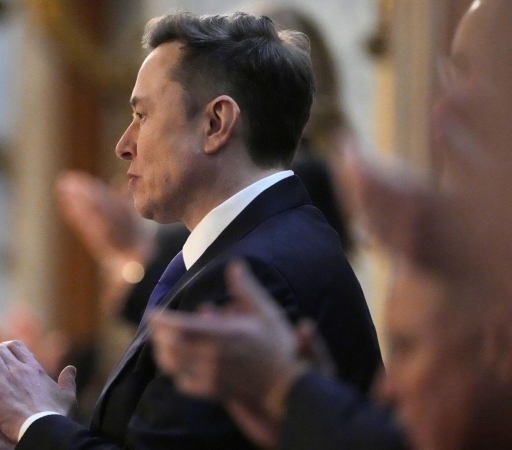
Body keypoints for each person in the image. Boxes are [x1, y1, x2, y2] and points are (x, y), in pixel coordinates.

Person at [0, 11, 382, 450]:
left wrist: (37, 422)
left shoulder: (250, 277)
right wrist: (34, 434)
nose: (123, 145)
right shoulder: (255, 247)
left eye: (142, 116)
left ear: (215, 124)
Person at [149, 1, 512, 449]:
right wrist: (306, 402)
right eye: (455, 73)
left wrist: (291, 392)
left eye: (487, 75)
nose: (446, 106)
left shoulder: (286, 214)